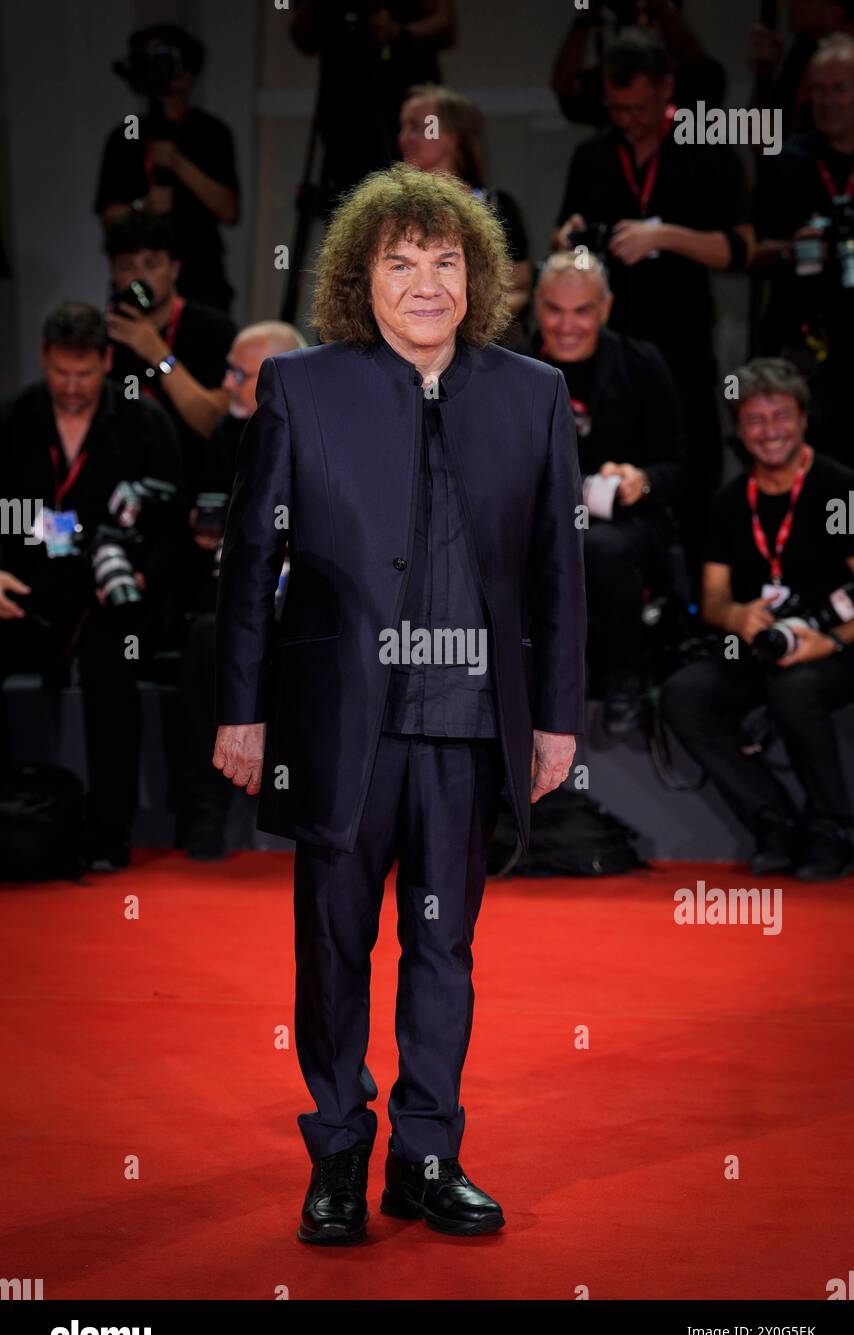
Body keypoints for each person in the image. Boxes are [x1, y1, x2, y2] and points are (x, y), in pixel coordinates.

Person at [212, 164, 586, 1244]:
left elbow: (557, 573)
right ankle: (336, 1154)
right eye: (399, 260)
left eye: (445, 259)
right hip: (342, 725)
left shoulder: (530, 395)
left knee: (442, 948)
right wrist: (242, 713)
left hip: (470, 724)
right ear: (357, 277)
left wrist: (554, 718)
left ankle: (426, 1156)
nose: (426, 282)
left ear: (475, 275)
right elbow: (247, 566)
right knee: (331, 948)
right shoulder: (302, 386)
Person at [552, 28, 753, 590]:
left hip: (681, 335)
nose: (628, 119)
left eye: (639, 107)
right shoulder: (594, 153)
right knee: (607, 469)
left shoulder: (705, 148)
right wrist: (571, 238)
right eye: (617, 108)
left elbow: (740, 248)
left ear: (669, 88)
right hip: (609, 347)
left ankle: (691, 602)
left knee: (688, 465)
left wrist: (663, 236)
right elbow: (562, 234)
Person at [660, 359, 854, 882]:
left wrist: (833, 643)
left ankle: (830, 828)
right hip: (760, 646)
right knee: (686, 694)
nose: (769, 430)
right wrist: (737, 615)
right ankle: (772, 819)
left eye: (780, 416)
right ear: (739, 429)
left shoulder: (843, 488)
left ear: (802, 419)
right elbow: (711, 600)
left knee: (795, 688)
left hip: (844, 645)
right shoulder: (731, 501)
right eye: (755, 419)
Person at [0, 303, 184, 870]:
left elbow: (173, 523)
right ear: (42, 359)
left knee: (114, 672)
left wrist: (142, 571)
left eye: (84, 374)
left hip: (111, 600)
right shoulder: (14, 419)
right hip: (25, 591)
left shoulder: (143, 419)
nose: (73, 387)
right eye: (60, 373)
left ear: (106, 361)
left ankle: (109, 835)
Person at [527, 252, 684, 734]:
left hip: (624, 524)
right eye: (554, 309)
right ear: (536, 305)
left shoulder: (641, 363)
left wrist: (642, 478)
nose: (567, 325)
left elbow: (680, 465)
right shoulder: (511, 363)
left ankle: (625, 678)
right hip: (536, 516)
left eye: (583, 311)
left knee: (599, 546)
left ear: (607, 308)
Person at [179, 321, 306, 862]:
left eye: (241, 373)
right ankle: (203, 812)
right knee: (209, 635)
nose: (227, 384)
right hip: (233, 597)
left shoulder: (326, 435)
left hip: (314, 599)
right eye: (227, 369)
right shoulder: (216, 438)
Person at [752, 34, 854, 474]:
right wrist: (790, 249)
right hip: (804, 340)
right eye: (818, 89)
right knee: (809, 464)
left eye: (839, 89)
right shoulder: (787, 160)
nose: (828, 101)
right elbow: (750, 252)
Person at [94, 23, 240, 312]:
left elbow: (229, 210)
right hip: (140, 284)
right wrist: (143, 205)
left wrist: (176, 161)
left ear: (188, 71)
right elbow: (108, 216)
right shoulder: (126, 136)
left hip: (201, 278)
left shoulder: (211, 132)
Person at [104, 210, 235, 500]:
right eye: (127, 266)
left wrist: (158, 353)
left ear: (173, 269)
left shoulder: (213, 329)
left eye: (151, 264)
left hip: (194, 490)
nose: (139, 277)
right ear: (114, 274)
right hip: (125, 493)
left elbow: (214, 423)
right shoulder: (105, 335)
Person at [289, 0, 457, 210]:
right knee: (352, 198)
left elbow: (445, 24)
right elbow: (302, 36)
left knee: (417, 194)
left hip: (407, 87)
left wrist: (398, 31)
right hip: (345, 99)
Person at [398, 84, 532, 328]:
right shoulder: (390, 212)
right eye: (403, 128)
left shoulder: (497, 207)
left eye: (418, 127)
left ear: (452, 136)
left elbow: (519, 290)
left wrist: (458, 324)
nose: (404, 138)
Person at [552, 0, 726, 129]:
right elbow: (565, 86)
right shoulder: (612, 83)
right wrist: (587, 12)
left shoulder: (688, 83)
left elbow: (702, 73)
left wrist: (661, 10)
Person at [749, 0, 854, 137]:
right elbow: (763, 136)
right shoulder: (804, 49)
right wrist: (763, 73)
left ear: (834, 10)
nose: (789, 3)